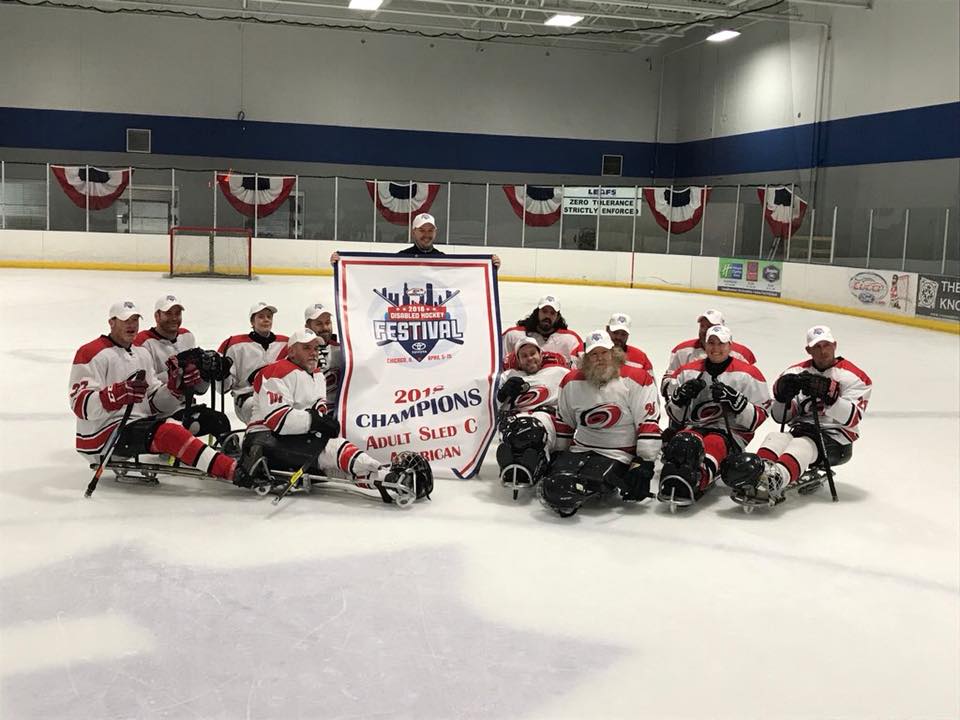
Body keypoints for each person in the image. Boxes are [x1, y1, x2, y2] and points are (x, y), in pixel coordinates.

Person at [239, 329, 430, 501]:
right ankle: (383, 471)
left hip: (294, 438)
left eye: (315, 348)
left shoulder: (317, 375)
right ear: (292, 351)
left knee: (337, 469)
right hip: (264, 439)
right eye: (306, 348)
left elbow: (318, 407)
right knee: (333, 448)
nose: (313, 352)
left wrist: (322, 421)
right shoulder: (276, 372)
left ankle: (388, 479)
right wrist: (316, 421)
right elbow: (278, 420)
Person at [68, 301, 240, 485]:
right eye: (125, 320)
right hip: (106, 434)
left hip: (138, 424)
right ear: (111, 322)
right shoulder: (91, 352)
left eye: (135, 319)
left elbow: (153, 404)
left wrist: (175, 388)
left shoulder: (141, 354)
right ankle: (235, 472)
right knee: (170, 432)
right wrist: (114, 395)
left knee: (201, 423)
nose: (131, 325)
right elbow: (80, 405)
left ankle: (236, 463)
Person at [724, 325, 872, 505]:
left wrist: (832, 399)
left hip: (836, 439)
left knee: (801, 445)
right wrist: (782, 398)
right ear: (808, 350)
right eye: (817, 347)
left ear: (834, 345)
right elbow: (781, 418)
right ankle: (755, 474)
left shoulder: (855, 377)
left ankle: (773, 481)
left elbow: (853, 418)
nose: (823, 351)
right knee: (775, 437)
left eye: (826, 345)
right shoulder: (794, 372)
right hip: (802, 430)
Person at [538, 330, 662, 517]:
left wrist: (644, 462)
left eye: (604, 352)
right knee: (557, 483)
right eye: (594, 354)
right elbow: (565, 423)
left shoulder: (637, 379)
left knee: (595, 481)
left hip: (620, 453)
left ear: (614, 353)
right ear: (586, 358)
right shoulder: (571, 381)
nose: (600, 358)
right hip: (581, 449)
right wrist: (558, 454)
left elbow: (648, 423)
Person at [660, 324, 770, 506]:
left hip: (732, 433)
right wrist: (680, 399)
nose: (716, 348)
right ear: (705, 344)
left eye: (721, 343)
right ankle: (675, 478)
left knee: (714, 443)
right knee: (683, 443)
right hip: (695, 427)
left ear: (730, 345)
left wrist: (737, 402)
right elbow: (676, 417)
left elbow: (760, 416)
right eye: (711, 343)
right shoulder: (688, 371)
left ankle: (698, 478)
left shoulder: (748, 374)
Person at [134, 294, 231, 437]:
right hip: (158, 412)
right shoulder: (142, 342)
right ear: (157, 316)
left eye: (177, 313)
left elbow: (198, 389)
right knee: (190, 427)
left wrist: (206, 372)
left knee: (220, 421)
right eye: (168, 313)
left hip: (186, 406)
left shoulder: (187, 336)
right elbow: (145, 384)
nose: (174, 318)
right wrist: (177, 374)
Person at [495, 337, 572, 492]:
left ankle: (530, 464)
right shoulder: (509, 376)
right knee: (517, 429)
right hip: (517, 418)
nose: (529, 358)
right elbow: (490, 408)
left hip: (548, 419)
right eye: (524, 356)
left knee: (531, 429)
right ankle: (517, 462)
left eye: (532, 353)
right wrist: (501, 395)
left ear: (541, 354)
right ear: (518, 360)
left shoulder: (560, 372)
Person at [330, 212, 500, 266]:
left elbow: (465, 282)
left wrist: (490, 267)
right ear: (413, 232)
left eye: (430, 230)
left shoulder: (443, 259)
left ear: (436, 232)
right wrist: (341, 263)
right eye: (422, 230)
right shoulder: (401, 257)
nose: (426, 234)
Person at [218, 302, 288, 424]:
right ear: (252, 321)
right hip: (247, 397)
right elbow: (222, 389)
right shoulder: (234, 346)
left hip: (278, 395)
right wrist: (222, 374)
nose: (266, 320)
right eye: (261, 317)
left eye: (269, 316)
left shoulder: (285, 344)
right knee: (259, 408)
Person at [661, 309, 757, 397]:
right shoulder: (682, 350)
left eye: (710, 327)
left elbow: (752, 389)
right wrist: (682, 391)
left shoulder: (742, 354)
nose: (704, 330)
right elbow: (666, 386)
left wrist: (736, 399)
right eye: (702, 326)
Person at [501, 294, 584, 368]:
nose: (547, 316)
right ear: (537, 312)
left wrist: (565, 363)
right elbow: (498, 361)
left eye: (552, 313)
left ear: (557, 317)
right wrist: (514, 361)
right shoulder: (513, 335)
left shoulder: (571, 339)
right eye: (544, 311)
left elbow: (580, 368)